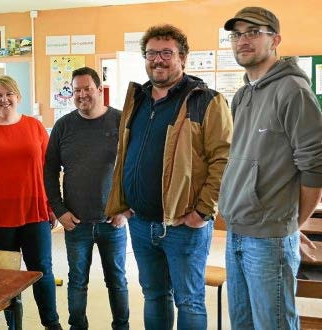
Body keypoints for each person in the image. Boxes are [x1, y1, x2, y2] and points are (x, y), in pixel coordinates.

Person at [105, 24, 233, 329]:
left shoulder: (206, 100)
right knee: (154, 295)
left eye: (166, 53)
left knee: (188, 299)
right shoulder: (137, 99)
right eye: (152, 53)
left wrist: (203, 211)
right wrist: (124, 200)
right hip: (140, 222)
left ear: (183, 58)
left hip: (183, 225)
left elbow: (224, 160)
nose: (158, 60)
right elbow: (126, 153)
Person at [220, 7, 322, 329]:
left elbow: (315, 166)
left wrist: (292, 225)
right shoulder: (241, 95)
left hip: (269, 238)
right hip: (237, 231)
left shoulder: (293, 90)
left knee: (273, 324)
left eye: (253, 32)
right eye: (237, 34)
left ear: (275, 40)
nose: (242, 40)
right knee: (243, 323)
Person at [0, 75, 61, 330]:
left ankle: (52, 324)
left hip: (34, 211)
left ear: (18, 97)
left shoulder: (34, 127)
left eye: (8, 94)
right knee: (8, 276)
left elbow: (48, 168)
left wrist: (51, 206)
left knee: (42, 271)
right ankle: (14, 325)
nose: (4, 100)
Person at [44, 67, 129, 330]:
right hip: (76, 223)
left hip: (111, 222)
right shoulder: (64, 126)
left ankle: (121, 326)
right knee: (77, 280)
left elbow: (133, 167)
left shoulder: (120, 121)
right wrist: (59, 210)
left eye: (87, 89)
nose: (82, 95)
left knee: (117, 280)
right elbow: (48, 170)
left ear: (99, 89)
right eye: (77, 90)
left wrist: (125, 209)